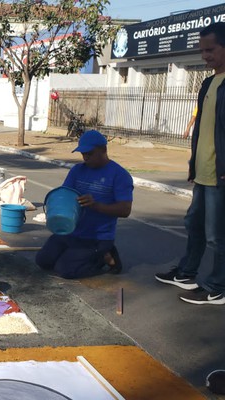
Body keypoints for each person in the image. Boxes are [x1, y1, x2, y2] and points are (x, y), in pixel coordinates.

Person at [155, 23, 225, 305]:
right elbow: (202, 130)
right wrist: (194, 166)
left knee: (216, 236)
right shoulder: (209, 83)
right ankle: (187, 272)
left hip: (221, 176)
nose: (205, 56)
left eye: (211, 49)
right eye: (202, 50)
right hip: (204, 172)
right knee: (194, 226)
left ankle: (217, 287)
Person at [35, 130, 133, 279]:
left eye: (90, 153)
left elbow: (125, 210)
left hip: (97, 237)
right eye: (83, 154)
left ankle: (105, 256)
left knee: (65, 270)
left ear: (103, 150)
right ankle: (77, 254)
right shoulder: (77, 170)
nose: (85, 157)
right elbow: (65, 195)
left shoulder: (119, 175)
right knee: (43, 261)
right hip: (71, 230)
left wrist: (96, 206)